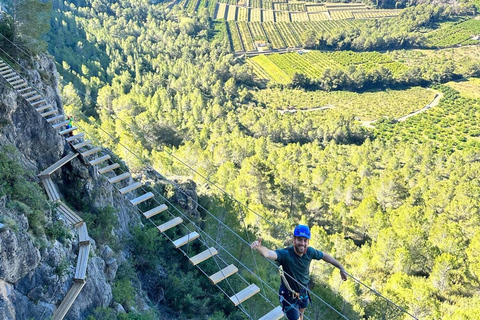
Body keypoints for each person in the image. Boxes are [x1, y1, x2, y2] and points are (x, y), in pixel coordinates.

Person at [251, 225, 347, 320]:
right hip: (289, 295)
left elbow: (325, 256)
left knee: (301, 314)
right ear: (294, 240)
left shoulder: (310, 252)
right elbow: (268, 253)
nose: (302, 243)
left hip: (303, 292)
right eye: (299, 240)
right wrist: (259, 247)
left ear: (308, 242)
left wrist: (341, 267)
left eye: (305, 240)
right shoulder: (286, 254)